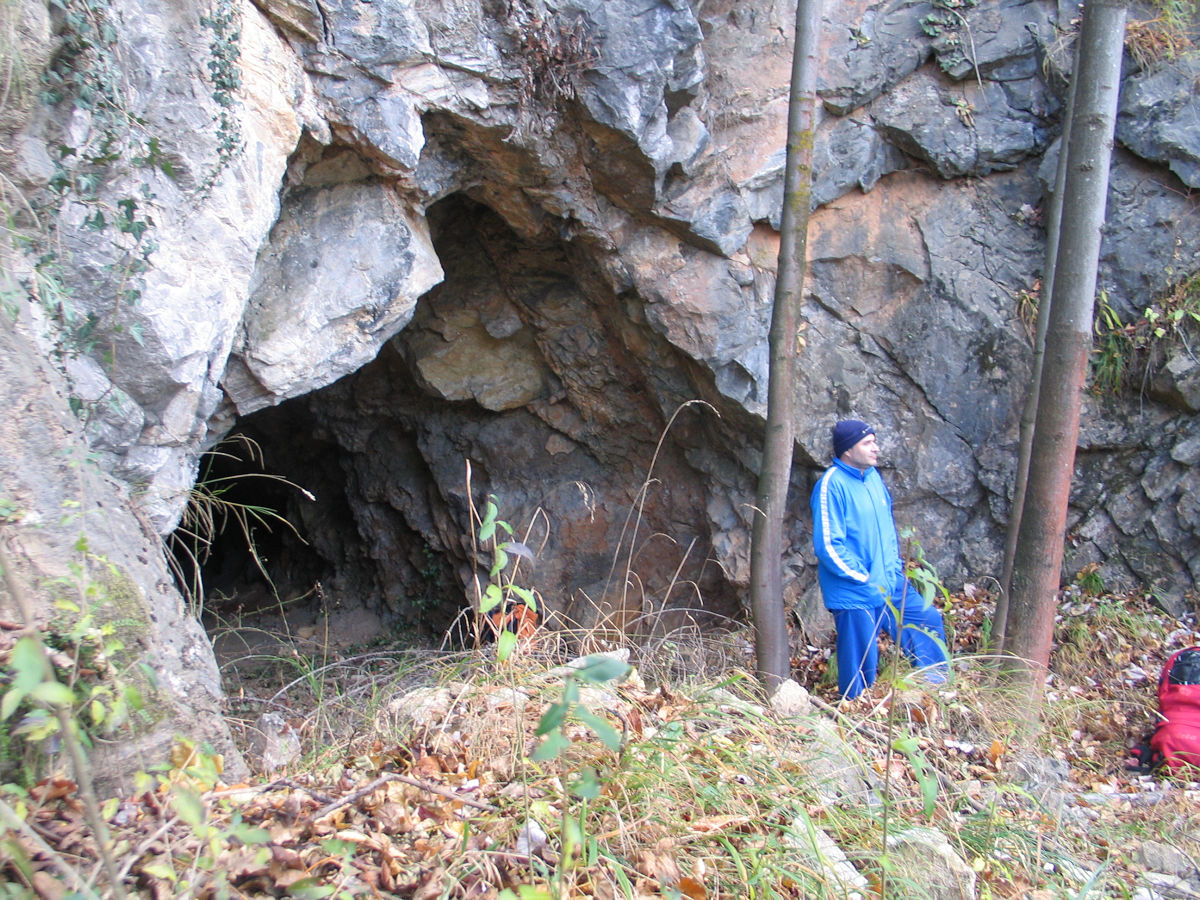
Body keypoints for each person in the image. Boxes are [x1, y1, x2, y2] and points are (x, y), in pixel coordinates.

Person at [810, 419, 949, 699]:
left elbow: (886, 526)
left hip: (888, 580)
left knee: (927, 619)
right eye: (867, 443)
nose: (876, 448)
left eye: (874, 441)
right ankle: (855, 709)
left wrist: (893, 568)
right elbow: (828, 545)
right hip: (854, 589)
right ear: (848, 450)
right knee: (862, 659)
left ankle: (935, 691)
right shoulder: (831, 485)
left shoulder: (872, 477)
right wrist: (864, 577)